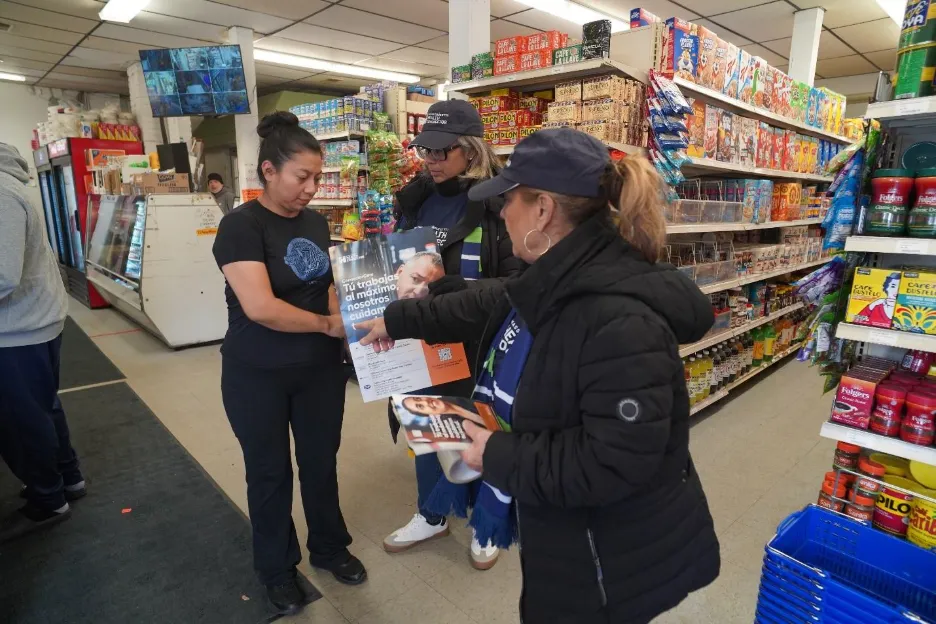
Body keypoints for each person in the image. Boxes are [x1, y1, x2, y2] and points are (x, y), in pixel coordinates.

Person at [358, 128, 721, 623]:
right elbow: (486, 300)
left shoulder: (618, 318)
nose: (502, 213)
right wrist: (395, 320)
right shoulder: (560, 274)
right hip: (571, 533)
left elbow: (615, 461)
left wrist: (494, 451)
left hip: (609, 561)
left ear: (543, 210)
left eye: (509, 201)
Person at [211, 111, 364, 617]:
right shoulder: (240, 226)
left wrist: (343, 319)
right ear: (269, 171)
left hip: (319, 370)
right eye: (303, 176)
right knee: (270, 472)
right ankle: (276, 569)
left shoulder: (317, 222)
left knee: (321, 462)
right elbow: (260, 307)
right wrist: (325, 326)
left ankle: (328, 547)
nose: (312, 188)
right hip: (258, 373)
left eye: (318, 177)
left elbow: (323, 287)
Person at [382, 98, 524, 569]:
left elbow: (516, 284)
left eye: (443, 152)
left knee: (479, 430)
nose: (433, 161)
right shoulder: (415, 199)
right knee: (424, 424)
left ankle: (487, 524)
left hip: (479, 344)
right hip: (421, 341)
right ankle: (433, 512)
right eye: (427, 151)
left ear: (470, 150)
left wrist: (460, 289)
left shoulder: (497, 202)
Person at [0, 142, 85, 543]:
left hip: (16, 330)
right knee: (43, 406)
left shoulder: (1, 193)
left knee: (20, 419)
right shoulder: (12, 188)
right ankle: (67, 478)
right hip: (35, 321)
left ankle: (48, 497)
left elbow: (2, 275)